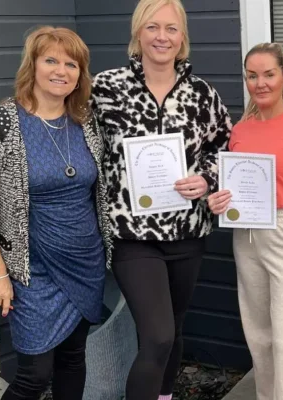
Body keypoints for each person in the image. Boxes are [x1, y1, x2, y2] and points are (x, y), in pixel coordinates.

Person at [0, 26, 109, 400]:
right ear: (33, 66)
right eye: (51, 60)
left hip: (85, 263)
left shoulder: (87, 123)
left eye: (71, 64)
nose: (61, 71)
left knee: (73, 358)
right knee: (34, 375)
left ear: (80, 74)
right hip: (32, 270)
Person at [90, 0, 232, 398]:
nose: (162, 37)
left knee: (174, 330)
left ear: (182, 37)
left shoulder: (201, 94)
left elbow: (224, 146)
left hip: (187, 233)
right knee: (157, 335)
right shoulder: (106, 88)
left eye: (171, 28)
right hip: (132, 236)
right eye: (152, 27)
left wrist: (206, 179)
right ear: (138, 33)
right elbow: (80, 143)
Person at [207, 42, 283, 400]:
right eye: (252, 76)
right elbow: (234, 187)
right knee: (260, 336)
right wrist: (219, 200)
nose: (260, 83)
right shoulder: (241, 130)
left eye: (268, 74)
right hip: (247, 235)